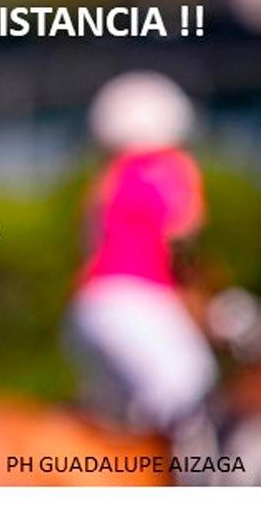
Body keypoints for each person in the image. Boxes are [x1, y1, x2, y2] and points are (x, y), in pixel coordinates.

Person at [66, 70, 218, 438]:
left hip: (88, 311)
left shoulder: (107, 178)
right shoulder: (167, 168)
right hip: (136, 302)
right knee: (193, 391)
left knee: (123, 429)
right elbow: (183, 229)